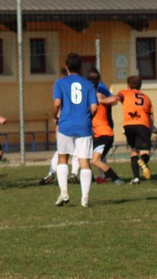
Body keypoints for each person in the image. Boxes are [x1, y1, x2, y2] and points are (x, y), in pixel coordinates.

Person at [52, 53, 98, 207]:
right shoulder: (89, 84)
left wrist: (54, 115)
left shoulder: (60, 83)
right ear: (80, 67)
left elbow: (57, 103)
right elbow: (94, 107)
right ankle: (85, 198)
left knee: (63, 158)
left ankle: (64, 192)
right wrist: (88, 118)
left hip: (65, 125)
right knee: (84, 160)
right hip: (84, 125)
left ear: (66, 67)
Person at [88, 68, 124, 185]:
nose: (93, 81)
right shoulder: (89, 95)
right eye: (91, 79)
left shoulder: (99, 94)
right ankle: (100, 177)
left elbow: (113, 99)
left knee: (95, 159)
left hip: (104, 133)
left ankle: (115, 179)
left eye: (95, 79)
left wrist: (104, 100)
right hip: (98, 133)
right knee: (90, 158)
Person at [117, 75, 154, 183]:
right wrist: (150, 130)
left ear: (128, 85)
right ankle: (142, 161)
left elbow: (116, 98)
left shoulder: (124, 92)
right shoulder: (146, 98)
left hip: (128, 125)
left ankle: (136, 177)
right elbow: (151, 116)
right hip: (143, 124)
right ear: (140, 86)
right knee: (145, 151)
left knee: (134, 150)